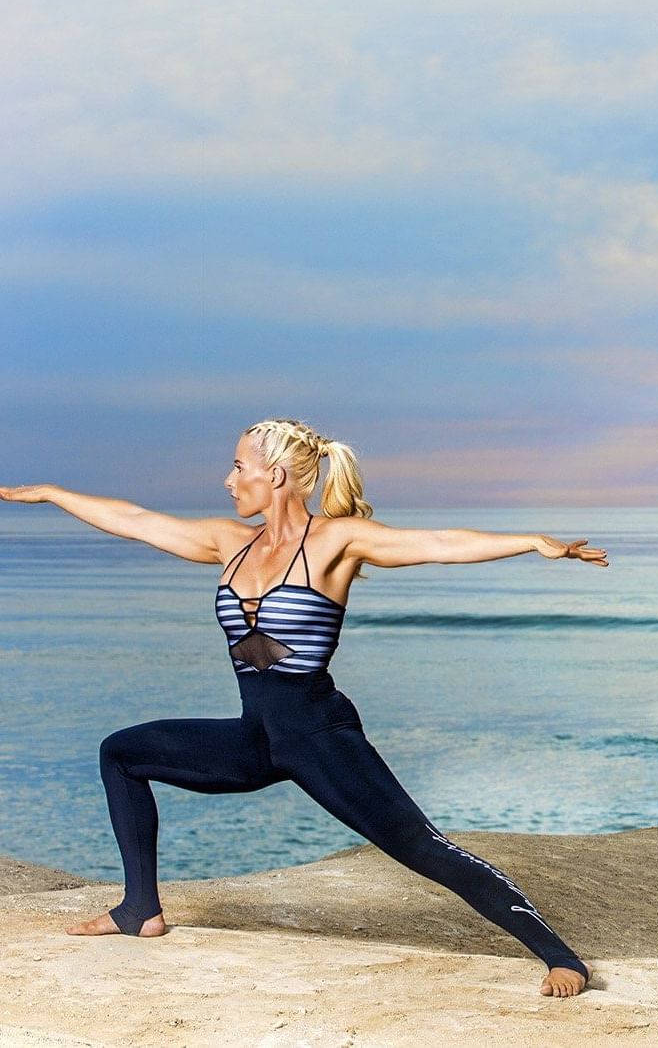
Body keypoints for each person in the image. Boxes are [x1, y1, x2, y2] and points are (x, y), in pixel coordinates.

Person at [0, 417, 607, 998]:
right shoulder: (229, 542)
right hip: (256, 737)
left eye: (239, 467)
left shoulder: (336, 541)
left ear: (279, 476)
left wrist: (531, 542)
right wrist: (53, 492)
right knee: (123, 753)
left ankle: (560, 955)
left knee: (421, 846)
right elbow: (134, 520)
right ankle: (139, 910)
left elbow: (438, 542)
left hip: (320, 735)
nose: (228, 480)